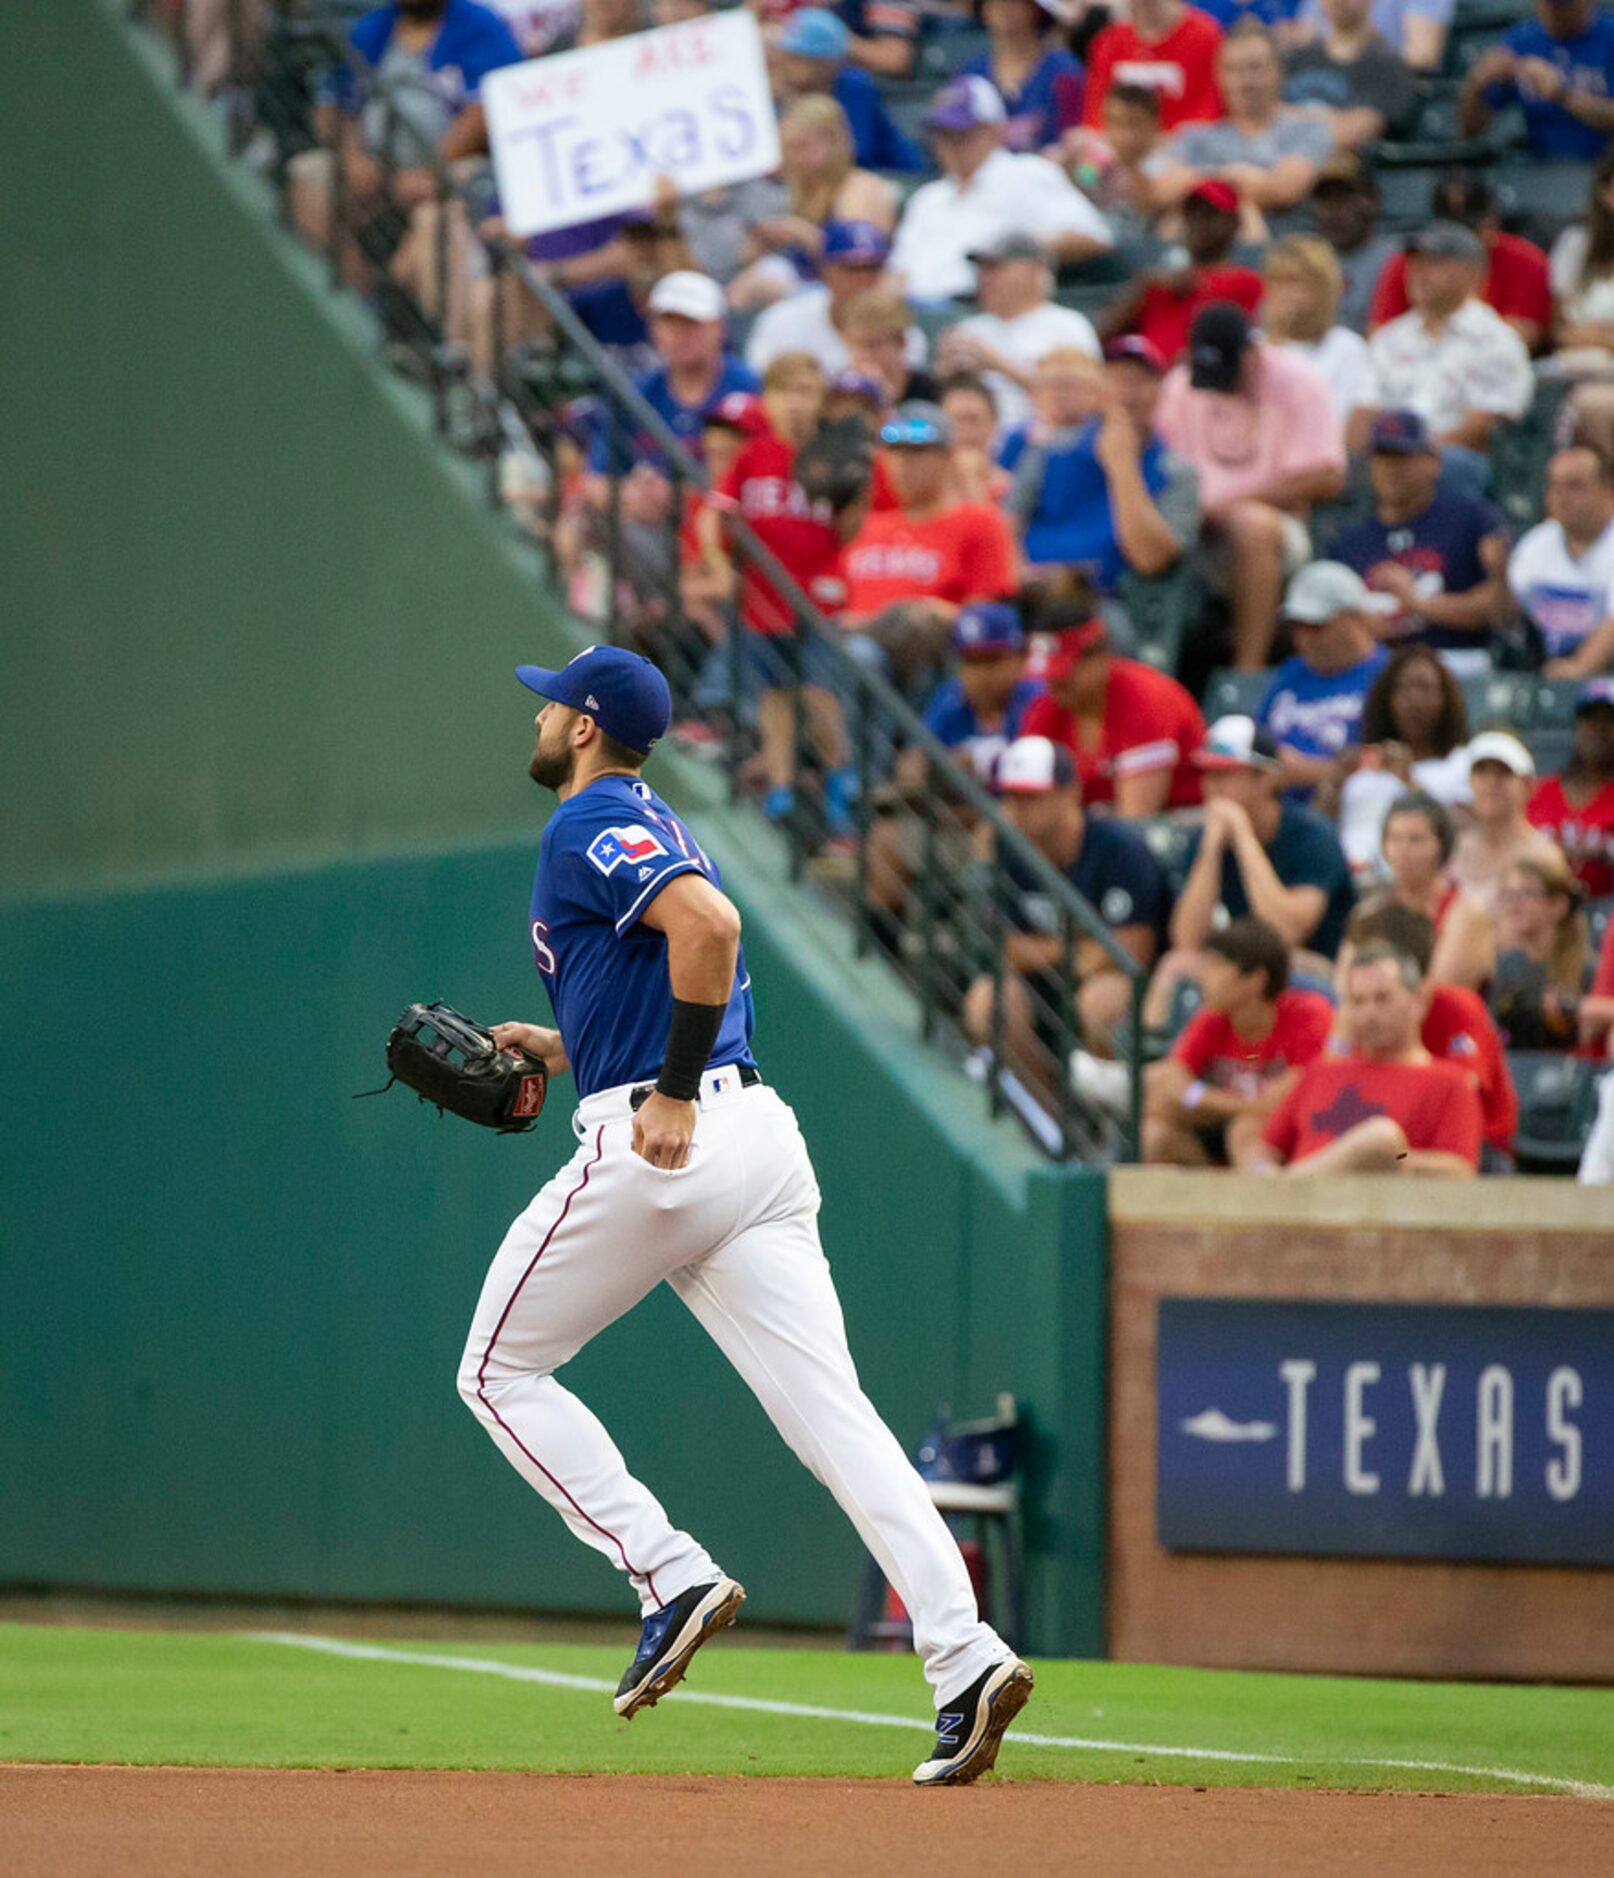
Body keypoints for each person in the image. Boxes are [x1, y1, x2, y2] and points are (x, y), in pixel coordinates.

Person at [468, 647, 1032, 1787]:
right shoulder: (651, 818)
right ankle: (965, 1657)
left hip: (670, 1136)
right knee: (837, 1419)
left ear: (584, 726)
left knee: (496, 1372)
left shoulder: (590, 822)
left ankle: (668, 1573)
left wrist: (666, 1095)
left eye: (548, 700)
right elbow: (676, 966)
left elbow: (712, 933)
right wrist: (569, 1048)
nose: (534, 712)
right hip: (756, 1140)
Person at [964, 737, 1170, 1102]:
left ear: (1069, 793)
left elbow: (1132, 952)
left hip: (1124, 987)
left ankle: (1112, 1130)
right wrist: (1079, 951)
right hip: (1045, 984)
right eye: (1013, 796)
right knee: (987, 1002)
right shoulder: (1009, 850)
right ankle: (1051, 1121)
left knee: (1098, 1002)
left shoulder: (1118, 848)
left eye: (1033, 797)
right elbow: (1008, 950)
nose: (1019, 808)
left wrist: (1046, 952)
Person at [1157, 302, 1346, 668]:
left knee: (1250, 524)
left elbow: (1327, 476)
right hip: (1193, 525)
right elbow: (1163, 463)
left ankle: (1247, 670)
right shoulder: (1180, 385)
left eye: (1226, 371)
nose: (1218, 385)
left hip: (1278, 529)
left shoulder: (1298, 380)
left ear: (1252, 353)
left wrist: (1231, 505)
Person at [290, 0, 523, 281]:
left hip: (447, 172)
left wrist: (427, 173)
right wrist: (353, 159)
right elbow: (330, 106)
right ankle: (357, 300)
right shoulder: (373, 27)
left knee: (444, 214)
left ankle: (400, 310)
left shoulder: (481, 26)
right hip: (376, 168)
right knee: (308, 176)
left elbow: (482, 111)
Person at [1148, 716, 1356, 1028]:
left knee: (1283, 966)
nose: (1212, 786)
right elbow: (1188, 940)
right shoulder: (1206, 838)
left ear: (1267, 778)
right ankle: (1151, 1066)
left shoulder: (1312, 835)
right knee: (1176, 966)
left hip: (1319, 968)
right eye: (1209, 774)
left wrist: (1243, 837)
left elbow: (1286, 932)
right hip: (1242, 965)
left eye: (1227, 774)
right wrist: (1211, 849)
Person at [1238, 941, 1482, 1174]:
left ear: (1418, 1000)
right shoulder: (1321, 1071)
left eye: (1382, 999)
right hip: (1301, 1210)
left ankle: (1293, 1187)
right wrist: (1261, 1169)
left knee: (1381, 1139)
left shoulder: (1451, 1082)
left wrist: (1390, 1159)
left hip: (1379, 1207)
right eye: (1358, 1001)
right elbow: (1264, 1148)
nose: (1369, 1013)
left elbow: (1459, 1170)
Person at [839, 402, 1019, 692]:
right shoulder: (868, 524)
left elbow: (990, 617)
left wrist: (939, 611)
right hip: (851, 656)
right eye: (895, 454)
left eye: (917, 454)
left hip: (931, 665)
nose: (903, 465)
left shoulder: (977, 521)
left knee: (888, 639)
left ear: (947, 458)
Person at [1000, 339, 1200, 597]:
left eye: (1140, 382)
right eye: (1119, 380)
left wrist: (1122, 466)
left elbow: (1150, 559)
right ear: (1099, 389)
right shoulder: (1050, 448)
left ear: (1160, 390)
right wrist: (1021, 575)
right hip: (1031, 589)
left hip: (1111, 600)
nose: (1128, 393)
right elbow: (1006, 526)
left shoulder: (1176, 471)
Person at [889, 78, 1114, 304]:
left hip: (979, 308)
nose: (950, 145)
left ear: (993, 131)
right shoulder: (929, 197)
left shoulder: (1024, 174)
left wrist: (1018, 254)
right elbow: (897, 272)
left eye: (961, 134)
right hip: (915, 310)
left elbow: (1093, 236)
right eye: (943, 134)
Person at [1143, 915, 1335, 1166]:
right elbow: (1170, 1086)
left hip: (1295, 1139)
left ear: (1255, 978)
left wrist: (1204, 1100)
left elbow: (1298, 1092)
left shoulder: (1308, 1013)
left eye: (1215, 966)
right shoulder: (1212, 1019)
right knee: (1154, 1133)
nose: (1203, 977)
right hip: (1223, 1126)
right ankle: (1212, 1198)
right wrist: (1243, 1105)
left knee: (1246, 1130)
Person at [1348, 222, 1534, 481]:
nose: (1418, 272)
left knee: (1450, 466)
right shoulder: (1389, 339)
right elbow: (1365, 411)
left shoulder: (1496, 340)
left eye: (1434, 263)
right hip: (1388, 456)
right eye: (1414, 263)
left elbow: (1486, 424)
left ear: (1471, 272)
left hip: (1452, 466)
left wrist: (1419, 458)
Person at [1330, 410, 1511, 674]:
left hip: (1456, 661)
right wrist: (1360, 626)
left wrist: (1416, 604)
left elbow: (1498, 607)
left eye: (1402, 457)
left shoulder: (1472, 520)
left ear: (1433, 461)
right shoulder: (1349, 541)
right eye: (1381, 458)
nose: (1390, 469)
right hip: (1372, 667)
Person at [1340, 897, 1518, 1166]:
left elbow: (1462, 1093)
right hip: (1397, 1143)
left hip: (1476, 1148)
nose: (1357, 963)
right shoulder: (1363, 1010)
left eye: (1367, 952)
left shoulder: (1457, 1006)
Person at [1020, 613, 1207, 813]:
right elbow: (1024, 803)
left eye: (1064, 672)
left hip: (1179, 822)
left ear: (1099, 658)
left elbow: (1136, 819)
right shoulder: (1047, 708)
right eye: (1049, 675)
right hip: (1097, 826)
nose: (1055, 683)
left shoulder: (1145, 698)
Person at [586, 272, 759, 484]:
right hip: (643, 514)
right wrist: (631, 495)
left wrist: (680, 498)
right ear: (653, 329)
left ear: (719, 327)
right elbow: (597, 477)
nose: (679, 334)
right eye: (669, 323)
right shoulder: (634, 393)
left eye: (691, 323)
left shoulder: (752, 390)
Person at [728, 96, 898, 309]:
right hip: (808, 286)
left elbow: (857, 264)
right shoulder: (797, 190)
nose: (795, 158)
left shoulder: (860, 188)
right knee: (751, 278)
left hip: (852, 294)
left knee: (765, 284)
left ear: (832, 140)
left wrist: (802, 233)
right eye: (789, 148)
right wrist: (762, 244)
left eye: (803, 146)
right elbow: (749, 260)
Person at [1153, 21, 1335, 220]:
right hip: (1209, 242)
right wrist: (1241, 176)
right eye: (1233, 69)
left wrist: (1199, 179)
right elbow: (1163, 189)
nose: (1244, 80)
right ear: (1219, 76)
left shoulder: (1309, 127)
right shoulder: (1194, 135)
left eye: (1255, 67)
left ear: (1279, 71)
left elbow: (1284, 189)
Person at [1368, 173, 1552, 356]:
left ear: (1491, 223)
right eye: (1448, 230)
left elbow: (1521, 339)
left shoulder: (1526, 259)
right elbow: (1380, 337)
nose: (1458, 242)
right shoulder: (1410, 261)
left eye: (1467, 229)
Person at [937, 233, 1101, 435]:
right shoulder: (970, 330)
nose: (985, 277)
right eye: (982, 269)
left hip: (1044, 439)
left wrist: (998, 365)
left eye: (996, 267)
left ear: (1034, 270)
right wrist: (946, 375)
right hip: (976, 439)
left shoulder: (1068, 326)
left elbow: (1086, 400)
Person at [1256, 560, 1391, 798]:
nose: (1303, 639)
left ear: (1354, 618)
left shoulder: (1389, 674)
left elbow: (1397, 766)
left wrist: (1314, 772)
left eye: (1316, 626)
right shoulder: (1290, 673)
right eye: (1297, 627)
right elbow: (1255, 742)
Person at [1334, 645, 1473, 869]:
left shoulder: (1462, 762)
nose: (1413, 700)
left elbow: (1471, 830)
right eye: (1403, 688)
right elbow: (1322, 830)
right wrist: (1334, 784)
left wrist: (1409, 780)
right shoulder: (1365, 764)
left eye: (1425, 688)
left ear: (1446, 698)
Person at [1095, 180, 1265, 364]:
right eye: (1193, 215)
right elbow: (1098, 336)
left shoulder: (1248, 282)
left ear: (1234, 223)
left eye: (1210, 215)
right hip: (1146, 379)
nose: (1199, 223)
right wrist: (1143, 287)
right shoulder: (1157, 283)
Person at [745, 221, 917, 375]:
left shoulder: (902, 331)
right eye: (851, 269)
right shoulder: (782, 321)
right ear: (825, 270)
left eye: (872, 268)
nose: (862, 278)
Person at [769, 9, 926, 174]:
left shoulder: (854, 85)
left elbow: (855, 153)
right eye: (786, 54)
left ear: (826, 64)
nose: (785, 63)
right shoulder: (783, 89)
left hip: (889, 176)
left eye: (797, 58)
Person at [1459, 0, 1614, 163]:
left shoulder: (1609, 35)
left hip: (1603, 169)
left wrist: (1563, 95)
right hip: (1540, 167)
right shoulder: (1522, 41)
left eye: (1564, 5)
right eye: (1549, 4)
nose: (1556, 13)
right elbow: (1470, 132)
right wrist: (1477, 85)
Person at [1508, 446, 1614, 679]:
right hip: (1540, 671)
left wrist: (1579, 669)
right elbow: (1511, 616)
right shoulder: (1536, 543)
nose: (1561, 496)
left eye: (1575, 486)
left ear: (1608, 490)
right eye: (1554, 486)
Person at [1379, 792, 1496, 989]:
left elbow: (1440, 993)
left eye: (1416, 840)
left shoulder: (1467, 914)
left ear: (1441, 846)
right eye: (1395, 838)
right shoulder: (1373, 912)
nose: (1403, 849)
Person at [1260, 233, 1371, 423]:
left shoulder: (1347, 348)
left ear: (1323, 290)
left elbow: (1342, 423)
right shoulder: (1253, 347)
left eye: (1294, 282)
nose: (1283, 294)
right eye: (1276, 282)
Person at [1489, 850, 1592, 1049]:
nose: (1514, 903)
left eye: (1527, 893)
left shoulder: (1586, 968)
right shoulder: (1502, 963)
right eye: (1508, 894)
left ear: (1558, 905)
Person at [1451, 728, 1561, 910]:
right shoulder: (1455, 850)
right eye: (1481, 772)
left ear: (1527, 784)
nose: (1491, 782)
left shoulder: (1544, 857)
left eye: (1504, 773)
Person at [1283, 0, 1418, 148]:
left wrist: (1293, 120)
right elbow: (1263, 118)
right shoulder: (1297, 58)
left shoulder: (1387, 66)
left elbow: (1357, 130)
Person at [1079, 0, 1226, 134]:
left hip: (1186, 150)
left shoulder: (1205, 37)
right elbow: (1095, 116)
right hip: (1119, 150)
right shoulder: (1108, 42)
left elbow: (1210, 111)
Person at [1527, 677, 1614, 899]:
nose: (1599, 730)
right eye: (1591, 720)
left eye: (1609, 721)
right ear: (1577, 726)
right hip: (1539, 911)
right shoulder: (1539, 791)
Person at [962, 0, 1086, 153]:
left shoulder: (1065, 70)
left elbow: (1075, 138)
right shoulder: (971, 72)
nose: (1004, 7)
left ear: (1036, 10)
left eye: (1016, 2)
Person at [1061, 83, 1170, 242]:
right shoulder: (1098, 155)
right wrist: (1084, 168)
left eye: (1133, 123)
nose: (1122, 133)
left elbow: (1146, 210)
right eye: (1115, 122)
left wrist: (1131, 165)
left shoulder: (1163, 163)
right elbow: (1079, 188)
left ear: (1154, 123)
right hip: (1100, 239)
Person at [1308, 152, 1401, 335]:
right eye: (1326, 199)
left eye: (1345, 199)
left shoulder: (1396, 261)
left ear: (1373, 202)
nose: (1334, 211)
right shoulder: (1304, 262)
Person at [1293, 0, 1453, 71]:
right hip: (1322, 83)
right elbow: (1304, 42)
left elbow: (1422, 57)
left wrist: (1357, 50)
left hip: (1387, 84)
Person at [941, 373, 1016, 501]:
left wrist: (971, 481)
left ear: (993, 424)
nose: (966, 430)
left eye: (973, 420)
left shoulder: (1012, 488)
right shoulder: (928, 488)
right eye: (958, 420)